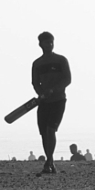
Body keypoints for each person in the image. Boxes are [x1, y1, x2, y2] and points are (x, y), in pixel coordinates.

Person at [30, 31, 71, 175]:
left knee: (50, 130)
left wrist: (53, 90)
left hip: (58, 100)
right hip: (43, 101)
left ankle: (48, 162)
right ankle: (50, 161)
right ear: (40, 44)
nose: (50, 45)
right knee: (43, 133)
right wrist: (41, 93)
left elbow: (67, 79)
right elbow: (35, 82)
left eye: (51, 42)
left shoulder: (61, 60)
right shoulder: (37, 63)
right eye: (47, 42)